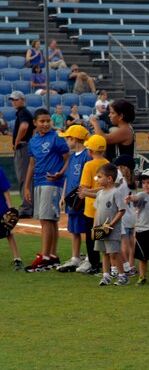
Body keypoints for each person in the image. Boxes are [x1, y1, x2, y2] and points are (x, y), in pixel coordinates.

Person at [23, 107, 69, 271]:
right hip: (39, 182)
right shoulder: (33, 142)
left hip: (51, 183)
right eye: (42, 121)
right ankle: (52, 255)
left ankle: (45, 256)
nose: (45, 124)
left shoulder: (56, 138)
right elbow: (32, 164)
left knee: (46, 219)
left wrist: (60, 174)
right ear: (35, 123)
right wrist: (27, 186)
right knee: (50, 220)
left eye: (48, 121)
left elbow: (67, 159)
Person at [56, 124, 90, 272]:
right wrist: (63, 195)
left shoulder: (87, 155)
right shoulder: (71, 156)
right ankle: (75, 257)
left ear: (74, 139)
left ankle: (90, 258)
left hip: (83, 200)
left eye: (68, 138)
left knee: (87, 229)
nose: (66, 142)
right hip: (72, 200)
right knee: (74, 229)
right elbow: (67, 178)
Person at [89, 164, 128, 286]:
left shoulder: (115, 193)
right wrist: (95, 227)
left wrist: (111, 225)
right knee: (104, 252)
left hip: (111, 229)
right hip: (101, 229)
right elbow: (97, 211)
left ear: (109, 178)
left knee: (113, 253)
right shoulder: (100, 194)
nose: (97, 179)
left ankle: (122, 276)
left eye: (100, 177)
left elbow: (121, 210)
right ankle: (106, 276)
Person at [76, 135, 109, 275]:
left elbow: (84, 187)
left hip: (91, 207)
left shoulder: (89, 165)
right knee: (105, 236)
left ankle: (94, 264)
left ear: (90, 151)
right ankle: (108, 263)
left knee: (91, 238)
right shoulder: (108, 164)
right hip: (105, 207)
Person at [9, 92, 34, 219]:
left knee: (25, 177)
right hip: (26, 146)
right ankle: (29, 207)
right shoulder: (23, 112)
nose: (13, 102)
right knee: (26, 177)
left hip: (23, 147)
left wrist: (17, 141)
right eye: (12, 100)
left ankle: (26, 208)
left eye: (16, 99)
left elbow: (24, 127)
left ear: (22, 100)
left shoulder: (23, 112)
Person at [0, 166, 23, 270]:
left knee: (9, 233)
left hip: (1, 209)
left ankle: (17, 259)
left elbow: (5, 189)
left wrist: (10, 207)